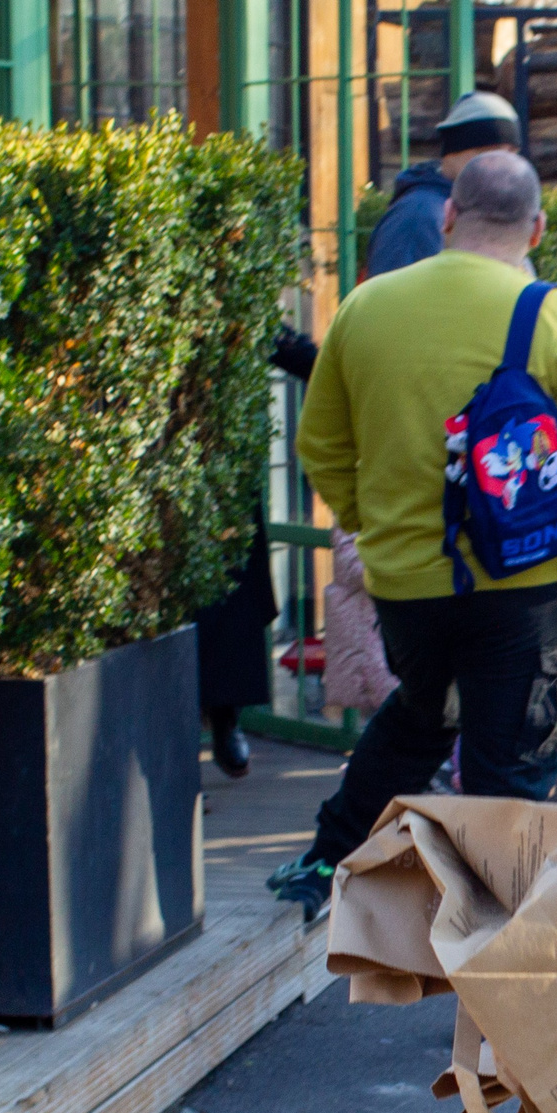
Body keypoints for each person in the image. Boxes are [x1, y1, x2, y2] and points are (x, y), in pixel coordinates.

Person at [266, 153, 557, 915]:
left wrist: (376, 526)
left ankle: (328, 854)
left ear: (446, 216)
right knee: (513, 763)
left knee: (422, 713)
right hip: (526, 588)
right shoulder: (554, 314)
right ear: (535, 226)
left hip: (407, 585)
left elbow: (321, 447)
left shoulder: (366, 308)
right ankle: (501, 928)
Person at [189, 323, 311, 777]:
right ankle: (194, 742)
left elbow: (307, 357)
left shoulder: (235, 307)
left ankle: (226, 720)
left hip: (223, 469)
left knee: (233, 602)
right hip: (157, 464)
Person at [361, 91, 522, 278]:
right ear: (453, 152)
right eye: (488, 153)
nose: (503, 166)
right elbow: (394, 301)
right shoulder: (419, 217)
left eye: (512, 154)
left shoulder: (473, 207)